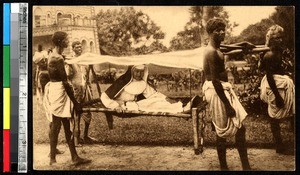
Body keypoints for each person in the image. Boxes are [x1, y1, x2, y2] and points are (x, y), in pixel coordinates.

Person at [202, 18, 251, 170]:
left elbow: (228, 47)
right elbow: (216, 81)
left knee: (239, 128)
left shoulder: (217, 47)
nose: (222, 32)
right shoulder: (210, 52)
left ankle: (245, 165)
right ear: (210, 33)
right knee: (222, 131)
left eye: (223, 29)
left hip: (221, 89)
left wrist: (243, 44)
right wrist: (228, 105)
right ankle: (225, 167)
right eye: (218, 30)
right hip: (217, 92)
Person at [43, 31, 91, 165]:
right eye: (66, 39)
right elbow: (65, 82)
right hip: (59, 91)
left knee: (65, 125)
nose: (68, 41)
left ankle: (73, 157)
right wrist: (76, 102)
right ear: (60, 42)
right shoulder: (57, 59)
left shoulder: (54, 55)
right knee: (57, 125)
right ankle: (53, 159)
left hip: (56, 90)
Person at [101, 64, 201, 113]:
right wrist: (115, 106)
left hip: (135, 105)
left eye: (141, 71)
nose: (139, 74)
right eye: (136, 71)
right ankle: (182, 109)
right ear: (132, 71)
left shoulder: (141, 83)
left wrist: (167, 99)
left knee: (156, 101)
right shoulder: (122, 82)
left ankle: (181, 107)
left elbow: (154, 94)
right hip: (124, 107)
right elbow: (104, 97)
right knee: (153, 104)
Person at [259, 25, 295, 154]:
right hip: (275, 87)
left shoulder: (278, 52)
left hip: (281, 85)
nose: (280, 40)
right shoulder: (270, 55)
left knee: (292, 113)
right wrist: (277, 96)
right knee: (274, 117)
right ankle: (279, 145)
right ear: (272, 39)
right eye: (277, 38)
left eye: (281, 37)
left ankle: (283, 145)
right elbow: (269, 77)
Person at [65, 41, 97, 146]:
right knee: (76, 114)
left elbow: (87, 76)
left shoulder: (85, 60)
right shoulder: (71, 61)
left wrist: (89, 89)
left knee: (88, 112)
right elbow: (68, 77)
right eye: (77, 47)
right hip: (76, 90)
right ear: (73, 48)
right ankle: (76, 140)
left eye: (80, 47)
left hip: (85, 89)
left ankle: (86, 136)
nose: (79, 48)